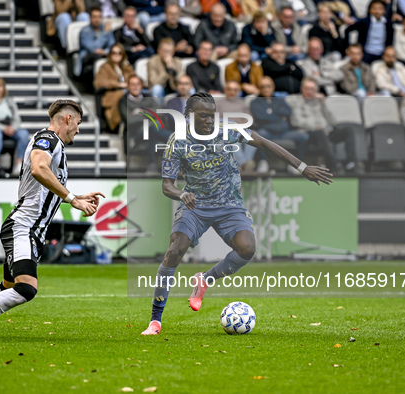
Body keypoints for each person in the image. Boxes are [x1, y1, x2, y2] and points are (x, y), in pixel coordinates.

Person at [140, 91, 332, 335]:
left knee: (247, 248)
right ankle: (155, 321)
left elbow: (263, 141)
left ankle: (205, 280)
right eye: (203, 116)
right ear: (189, 116)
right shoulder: (177, 141)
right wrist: (181, 194)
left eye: (212, 116)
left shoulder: (227, 130)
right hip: (195, 205)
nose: (209, 121)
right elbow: (167, 185)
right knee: (175, 250)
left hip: (229, 205)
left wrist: (302, 167)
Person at [0, 100, 105, 342]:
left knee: (8, 284)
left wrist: (75, 196)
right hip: (24, 226)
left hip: (28, 228)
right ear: (68, 119)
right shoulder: (48, 140)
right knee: (26, 288)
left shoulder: (54, 145)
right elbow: (38, 169)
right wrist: (72, 198)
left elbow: (42, 189)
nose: (79, 130)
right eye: (79, 123)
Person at [250, 76, 309, 173]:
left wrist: (270, 114)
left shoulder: (280, 100)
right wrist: (278, 115)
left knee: (303, 136)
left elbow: (288, 111)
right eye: (263, 87)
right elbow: (260, 117)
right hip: (267, 132)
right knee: (258, 135)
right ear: (259, 88)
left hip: (284, 132)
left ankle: (296, 164)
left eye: (268, 86)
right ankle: (263, 162)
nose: (266, 89)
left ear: (273, 87)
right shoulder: (255, 102)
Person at [286, 77, 344, 171]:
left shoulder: (320, 102)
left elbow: (333, 121)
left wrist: (324, 104)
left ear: (316, 91)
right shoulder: (296, 101)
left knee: (349, 129)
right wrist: (316, 127)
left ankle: (353, 164)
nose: (309, 92)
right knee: (320, 133)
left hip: (326, 132)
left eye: (312, 89)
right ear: (301, 89)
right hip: (309, 132)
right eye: (306, 89)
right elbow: (296, 121)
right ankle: (334, 165)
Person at [94, 43, 135, 132]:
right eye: (114, 53)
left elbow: (134, 80)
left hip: (129, 92)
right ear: (110, 54)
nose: (117, 55)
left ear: (123, 55)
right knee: (123, 95)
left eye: (119, 53)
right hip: (111, 94)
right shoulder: (105, 67)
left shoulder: (127, 68)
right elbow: (99, 82)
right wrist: (119, 84)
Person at [217, 80, 257, 170]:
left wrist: (240, 124)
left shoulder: (242, 103)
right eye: (230, 89)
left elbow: (250, 119)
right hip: (225, 131)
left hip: (241, 129)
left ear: (238, 91)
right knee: (234, 141)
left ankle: (244, 164)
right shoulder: (218, 103)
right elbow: (216, 120)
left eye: (235, 90)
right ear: (225, 90)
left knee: (253, 137)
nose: (232, 92)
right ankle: (245, 163)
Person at [76, 7, 115, 78]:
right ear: (90, 18)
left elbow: (112, 46)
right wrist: (105, 33)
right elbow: (93, 48)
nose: (97, 20)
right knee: (97, 56)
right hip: (87, 58)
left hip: (103, 55)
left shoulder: (106, 29)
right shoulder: (84, 31)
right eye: (94, 17)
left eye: (99, 17)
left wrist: (105, 51)